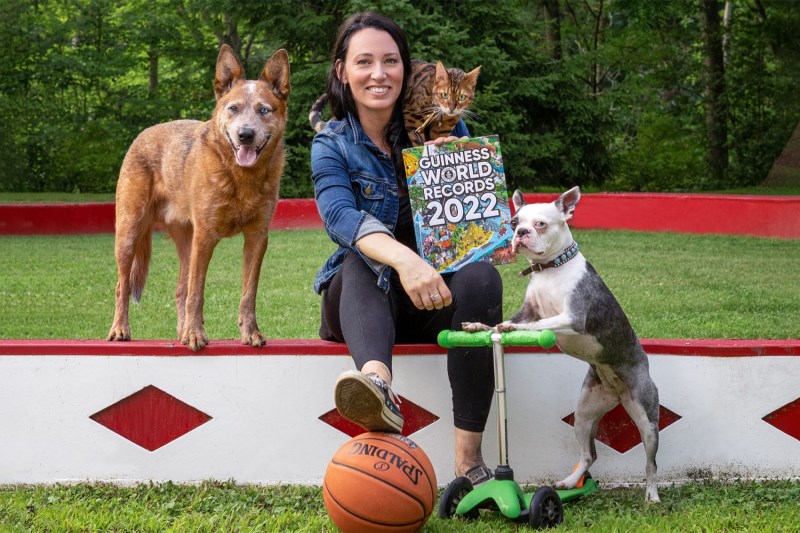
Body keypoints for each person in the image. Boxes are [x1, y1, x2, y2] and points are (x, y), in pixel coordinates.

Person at [310, 11, 502, 485]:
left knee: (482, 276)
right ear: (343, 72)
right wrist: (405, 260)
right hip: (363, 305)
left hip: (431, 299)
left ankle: (468, 463)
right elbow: (340, 216)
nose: (379, 73)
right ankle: (376, 386)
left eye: (390, 61)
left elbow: (465, 211)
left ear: (405, 68)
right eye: (365, 62)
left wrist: (489, 233)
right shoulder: (330, 144)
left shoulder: (444, 127)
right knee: (361, 258)